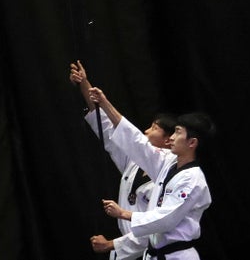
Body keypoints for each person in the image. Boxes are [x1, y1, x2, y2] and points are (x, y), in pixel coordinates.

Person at [85, 85, 215, 259]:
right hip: (153, 253)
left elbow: (166, 219)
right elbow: (137, 141)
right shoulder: (168, 162)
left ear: (192, 143)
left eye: (178, 133)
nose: (172, 138)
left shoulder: (193, 180)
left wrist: (123, 214)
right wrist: (105, 103)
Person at [70, 61, 176, 259]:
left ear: (168, 140)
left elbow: (155, 225)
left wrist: (111, 244)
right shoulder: (133, 162)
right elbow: (107, 128)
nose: (146, 131)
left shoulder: (170, 173)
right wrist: (84, 84)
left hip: (153, 249)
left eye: (153, 128)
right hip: (125, 249)